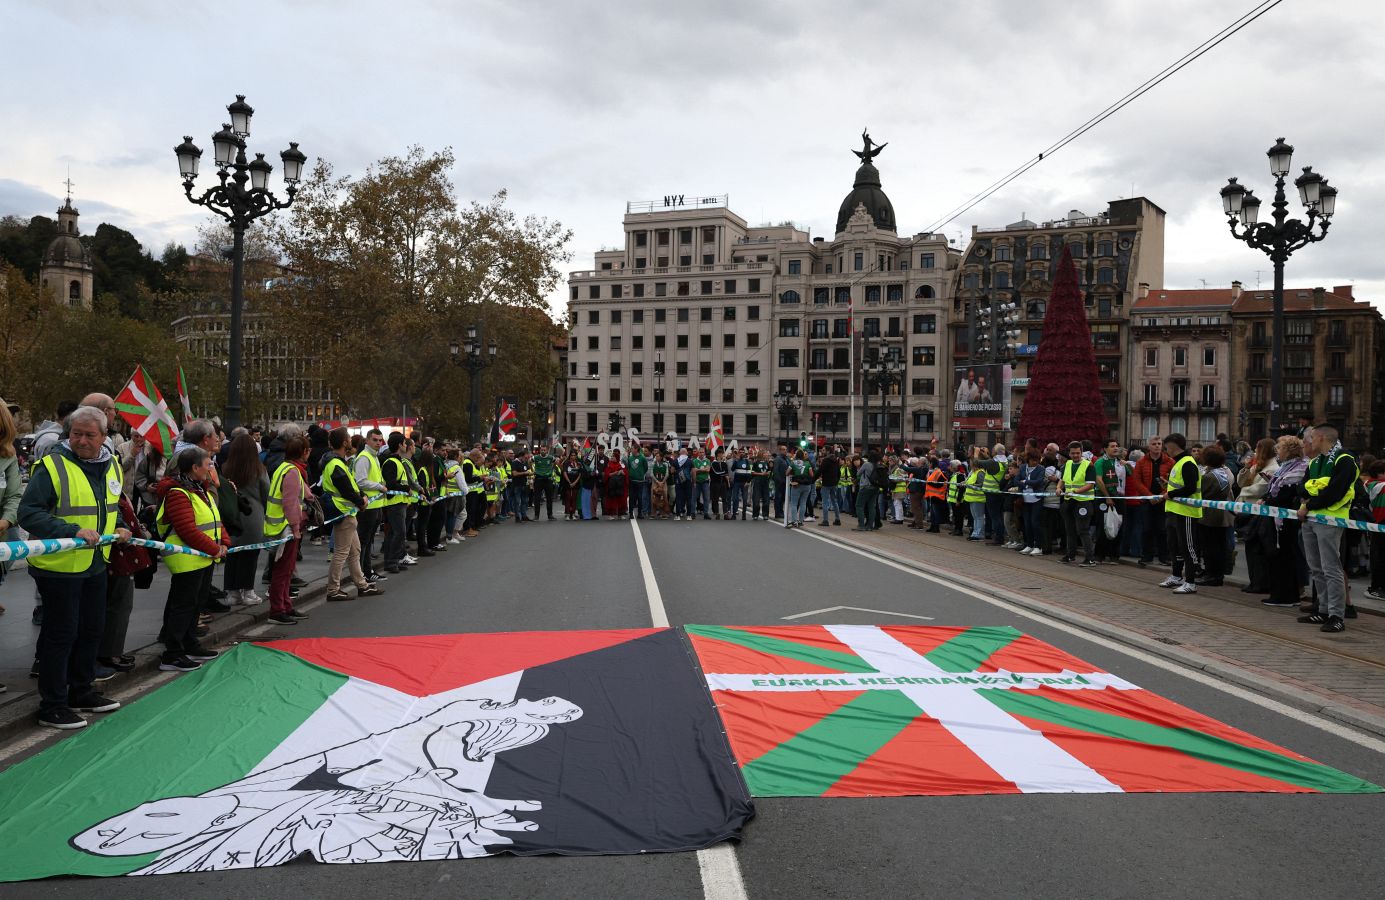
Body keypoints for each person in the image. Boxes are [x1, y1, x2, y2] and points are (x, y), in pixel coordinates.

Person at [18, 405, 131, 729]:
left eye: (89, 435)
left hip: (95, 562)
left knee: (91, 629)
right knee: (61, 634)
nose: (81, 440)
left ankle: (81, 691)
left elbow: (111, 506)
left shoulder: (111, 464)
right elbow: (29, 513)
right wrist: (72, 531)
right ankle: (52, 704)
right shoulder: (52, 466)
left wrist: (121, 526)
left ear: (103, 437)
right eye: (76, 434)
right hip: (59, 566)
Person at [153, 447, 229, 673]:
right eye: (208, 465)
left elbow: (215, 519)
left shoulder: (198, 488)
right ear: (195, 468)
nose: (210, 469)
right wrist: (215, 548)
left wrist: (224, 542)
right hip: (187, 558)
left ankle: (189, 643)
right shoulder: (178, 492)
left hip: (203, 556)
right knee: (183, 605)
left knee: (196, 602)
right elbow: (187, 529)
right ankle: (173, 653)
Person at [1297, 424, 1358, 633]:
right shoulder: (1315, 461)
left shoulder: (1344, 460)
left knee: (1331, 568)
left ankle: (1336, 615)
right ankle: (1322, 609)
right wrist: (1309, 499)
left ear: (1321, 437)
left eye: (1312, 437)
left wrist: (1309, 503)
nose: (1309, 441)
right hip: (1311, 518)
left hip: (1331, 519)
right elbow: (1302, 485)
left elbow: (1336, 491)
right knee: (1316, 567)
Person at [319, 427, 381, 601]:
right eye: (347, 438)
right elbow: (346, 489)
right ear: (344, 442)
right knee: (341, 552)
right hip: (343, 511)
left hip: (347, 511)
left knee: (355, 550)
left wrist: (360, 498)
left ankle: (362, 585)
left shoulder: (336, 461)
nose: (349, 441)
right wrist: (361, 501)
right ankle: (333, 590)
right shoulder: (336, 464)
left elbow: (350, 485)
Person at [264, 436, 313, 626]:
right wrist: (295, 528)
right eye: (307, 450)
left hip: (279, 525)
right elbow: (290, 503)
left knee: (286, 569)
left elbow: (302, 492)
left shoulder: (284, 468)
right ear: (303, 452)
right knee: (283, 571)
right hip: (286, 527)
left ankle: (286, 605)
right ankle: (277, 610)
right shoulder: (293, 472)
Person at [219, 433, 269, 606]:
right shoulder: (259, 469)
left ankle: (232, 592)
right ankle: (248, 591)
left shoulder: (225, 468)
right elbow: (266, 493)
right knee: (250, 554)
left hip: (232, 515)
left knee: (232, 554)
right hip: (253, 515)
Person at [1260, 435, 1308, 608]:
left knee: (1285, 556)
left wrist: (1268, 501)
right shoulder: (1284, 467)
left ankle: (1285, 596)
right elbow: (1274, 489)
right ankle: (1282, 593)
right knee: (1279, 555)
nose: (1277, 451)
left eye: (1279, 448)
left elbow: (1287, 495)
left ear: (1289, 450)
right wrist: (1265, 498)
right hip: (1277, 517)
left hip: (1286, 520)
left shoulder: (1299, 467)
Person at [1159, 433, 1202, 594]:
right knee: (1175, 546)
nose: (1165, 449)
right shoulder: (1179, 462)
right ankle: (1176, 576)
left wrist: (1171, 494)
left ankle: (1190, 582)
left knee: (1188, 547)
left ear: (1175, 445)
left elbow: (1191, 487)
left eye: (1167, 446)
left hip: (1187, 512)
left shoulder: (1188, 462)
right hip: (1175, 510)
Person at [1236, 438, 1279, 594]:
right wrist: (1246, 468)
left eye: (1257, 449)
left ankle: (1260, 582)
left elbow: (1260, 489)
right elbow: (1241, 482)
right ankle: (1255, 581)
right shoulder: (1257, 466)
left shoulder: (1273, 468)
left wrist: (1243, 492)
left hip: (1257, 511)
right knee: (1251, 548)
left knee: (1257, 549)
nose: (1255, 452)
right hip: (1249, 510)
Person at [1194, 444, 1233, 587]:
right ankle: (1214, 573)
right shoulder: (1223, 473)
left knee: (1210, 547)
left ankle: (1213, 575)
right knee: (1217, 545)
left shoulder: (1209, 476)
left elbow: (1200, 493)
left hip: (1210, 515)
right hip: (1221, 515)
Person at [354, 429, 388, 583]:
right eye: (375, 440)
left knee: (368, 541)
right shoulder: (364, 457)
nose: (378, 443)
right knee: (363, 541)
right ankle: (362, 573)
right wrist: (379, 486)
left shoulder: (374, 457)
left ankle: (368, 572)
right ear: (367, 440)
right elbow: (360, 481)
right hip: (368, 506)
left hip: (376, 504)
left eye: (380, 440)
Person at [0, 398, 23, 617]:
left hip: (2, 525)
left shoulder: (8, 454)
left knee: (14, 543)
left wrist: (6, 520)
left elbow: (15, 495)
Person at [1059, 441, 1097, 567]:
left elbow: (1090, 484)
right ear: (1069, 453)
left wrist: (1075, 491)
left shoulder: (1088, 465)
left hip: (1083, 502)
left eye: (1077, 453)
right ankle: (1070, 555)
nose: (1075, 455)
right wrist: (1059, 488)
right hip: (1069, 501)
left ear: (1081, 452)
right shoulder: (1068, 464)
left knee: (1083, 530)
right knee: (1069, 530)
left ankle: (1090, 558)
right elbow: (1062, 480)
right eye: (1073, 453)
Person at [1093, 439, 1125, 564]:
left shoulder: (1120, 462)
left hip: (1120, 497)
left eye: (1117, 446)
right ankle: (1099, 554)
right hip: (1104, 497)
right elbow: (1099, 480)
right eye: (1112, 446)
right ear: (1105, 448)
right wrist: (1107, 496)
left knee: (1118, 525)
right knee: (1103, 525)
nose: (1116, 448)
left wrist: (1127, 465)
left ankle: (1114, 554)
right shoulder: (1100, 462)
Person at [1015, 449, 1048, 555]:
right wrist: (1026, 484)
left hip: (1036, 499)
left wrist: (1025, 482)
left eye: (1037, 460)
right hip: (1025, 499)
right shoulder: (1022, 467)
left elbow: (1039, 481)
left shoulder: (1041, 469)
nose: (1035, 462)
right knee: (1027, 523)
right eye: (1033, 460)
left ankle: (1039, 546)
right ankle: (1029, 545)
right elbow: (1016, 480)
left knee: (1035, 523)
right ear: (1028, 459)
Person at [1363, 459, 1385, 601]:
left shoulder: (1367, 484)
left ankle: (1376, 586)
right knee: (1381, 557)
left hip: (1374, 523)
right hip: (1381, 522)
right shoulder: (1382, 486)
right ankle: (1378, 588)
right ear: (1379, 474)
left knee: (1377, 555)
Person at [786, 448, 814, 528]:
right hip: (806, 486)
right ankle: (801, 521)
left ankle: (794, 521)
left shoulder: (793, 463)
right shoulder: (807, 463)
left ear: (796, 455)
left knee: (794, 503)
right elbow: (811, 475)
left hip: (796, 485)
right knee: (803, 503)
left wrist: (793, 472)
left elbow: (787, 473)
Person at [854, 451, 881, 532]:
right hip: (875, 488)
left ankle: (861, 525)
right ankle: (870, 526)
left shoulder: (866, 464)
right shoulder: (879, 465)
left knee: (859, 505)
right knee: (872, 506)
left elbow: (858, 473)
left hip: (865, 487)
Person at [531, 444, 557, 521]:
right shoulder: (536, 457)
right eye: (542, 450)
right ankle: (536, 516)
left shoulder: (551, 457)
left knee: (549, 498)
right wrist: (533, 470)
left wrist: (552, 469)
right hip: (538, 479)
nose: (543, 451)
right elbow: (529, 461)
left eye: (544, 450)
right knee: (537, 498)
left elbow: (555, 462)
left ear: (547, 450)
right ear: (540, 450)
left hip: (548, 479)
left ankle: (550, 515)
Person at [603, 448, 629, 519]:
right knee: (611, 500)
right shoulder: (609, 465)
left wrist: (622, 472)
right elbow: (607, 475)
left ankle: (620, 514)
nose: (612, 458)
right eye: (611, 457)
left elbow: (625, 473)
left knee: (621, 499)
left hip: (619, 486)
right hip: (611, 486)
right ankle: (610, 515)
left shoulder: (621, 464)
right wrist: (616, 473)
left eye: (613, 457)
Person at [729, 447, 751, 521]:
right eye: (740, 452)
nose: (741, 453)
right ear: (738, 453)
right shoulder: (736, 461)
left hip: (744, 483)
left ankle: (744, 514)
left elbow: (748, 472)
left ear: (744, 453)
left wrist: (748, 482)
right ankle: (734, 514)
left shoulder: (747, 461)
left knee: (744, 499)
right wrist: (736, 460)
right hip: (736, 482)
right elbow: (732, 469)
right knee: (735, 498)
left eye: (743, 452)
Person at [709, 447, 730, 519]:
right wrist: (724, 473)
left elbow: (727, 472)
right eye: (721, 454)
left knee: (725, 499)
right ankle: (717, 513)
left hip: (723, 483)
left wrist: (724, 474)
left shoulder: (724, 463)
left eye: (722, 454)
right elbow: (716, 472)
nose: (722, 455)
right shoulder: (713, 463)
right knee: (716, 499)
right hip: (715, 483)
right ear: (718, 454)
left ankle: (725, 514)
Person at [750, 449, 771, 520]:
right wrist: (761, 474)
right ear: (761, 454)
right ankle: (755, 514)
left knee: (766, 499)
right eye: (765, 453)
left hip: (765, 482)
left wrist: (768, 473)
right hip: (758, 481)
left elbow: (769, 471)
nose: (766, 454)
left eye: (766, 453)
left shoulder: (767, 462)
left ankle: (765, 514)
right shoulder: (756, 463)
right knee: (756, 499)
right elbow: (752, 472)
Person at [561, 450, 582, 520]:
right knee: (568, 498)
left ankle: (573, 514)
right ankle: (567, 514)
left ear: (576, 456)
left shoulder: (578, 463)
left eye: (574, 455)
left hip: (576, 483)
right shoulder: (566, 463)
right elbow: (564, 472)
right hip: (567, 483)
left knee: (574, 499)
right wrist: (569, 482)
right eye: (572, 455)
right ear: (570, 456)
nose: (573, 456)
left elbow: (579, 474)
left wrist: (575, 482)